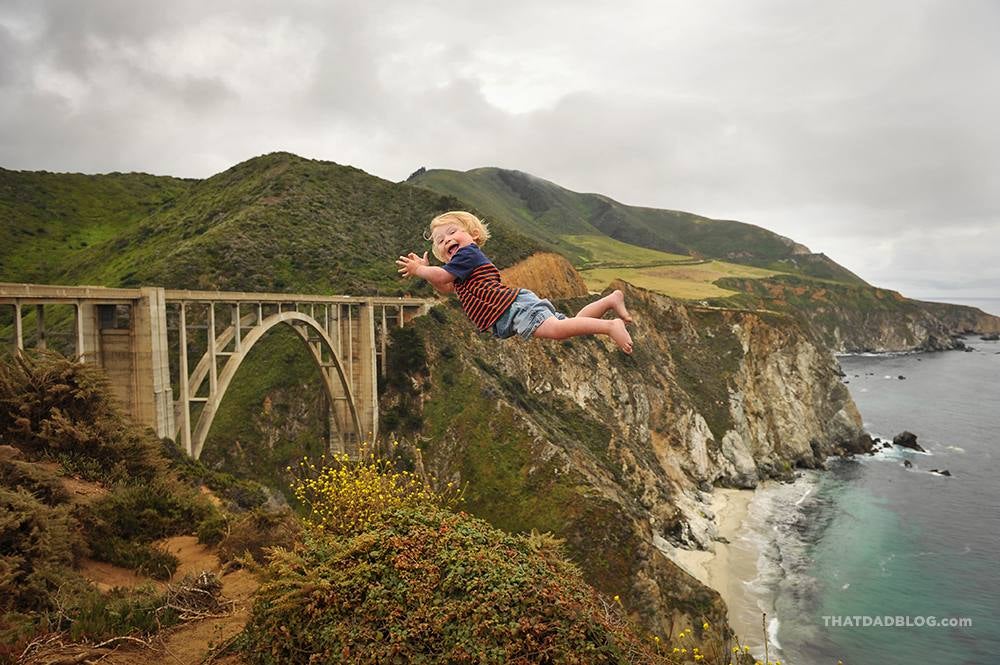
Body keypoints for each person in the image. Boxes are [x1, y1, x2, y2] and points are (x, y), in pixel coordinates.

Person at [396, 211, 633, 353]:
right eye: (440, 240)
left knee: (559, 331)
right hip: (512, 309)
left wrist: (419, 270)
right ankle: (611, 299)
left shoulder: (467, 254)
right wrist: (427, 271)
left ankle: (610, 326)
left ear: (473, 236)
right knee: (571, 324)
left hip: (513, 308)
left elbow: (442, 277)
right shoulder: (458, 268)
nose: (446, 239)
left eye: (452, 232)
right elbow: (445, 286)